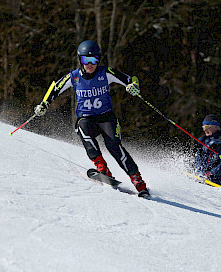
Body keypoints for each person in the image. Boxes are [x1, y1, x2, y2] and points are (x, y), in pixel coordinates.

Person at [34, 40, 149, 197]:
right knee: (83, 128)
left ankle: (138, 181)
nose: (89, 64)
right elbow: (55, 88)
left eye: (93, 60)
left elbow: (130, 79)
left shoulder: (106, 73)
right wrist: (44, 104)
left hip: (106, 118)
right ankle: (103, 169)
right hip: (87, 119)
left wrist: (133, 86)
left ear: (98, 60)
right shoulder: (73, 77)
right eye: (85, 60)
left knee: (114, 146)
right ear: (80, 60)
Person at [194, 114, 221, 186]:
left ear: (215, 126)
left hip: (214, 182)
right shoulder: (202, 141)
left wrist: (210, 174)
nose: (204, 129)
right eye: (203, 126)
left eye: (207, 126)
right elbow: (197, 159)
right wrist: (197, 170)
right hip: (199, 179)